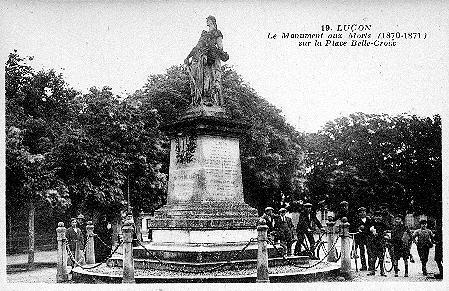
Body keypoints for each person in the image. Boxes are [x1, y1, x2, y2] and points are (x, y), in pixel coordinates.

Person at [184, 15, 229, 106]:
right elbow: (197, 47)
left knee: (211, 78)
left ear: (212, 21)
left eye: (208, 20)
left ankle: (210, 98)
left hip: (212, 58)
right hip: (203, 58)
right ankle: (200, 99)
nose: (207, 22)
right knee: (201, 78)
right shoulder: (204, 34)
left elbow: (220, 46)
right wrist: (188, 56)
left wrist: (219, 54)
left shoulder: (217, 32)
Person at [367, 211, 388, 276]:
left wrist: (382, 235)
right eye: (376, 216)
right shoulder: (371, 223)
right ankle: (372, 271)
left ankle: (382, 271)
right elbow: (368, 232)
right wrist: (372, 233)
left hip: (381, 242)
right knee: (373, 257)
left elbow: (386, 232)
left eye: (379, 216)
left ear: (381, 217)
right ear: (374, 217)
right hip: (373, 242)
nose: (378, 217)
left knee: (381, 257)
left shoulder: (383, 224)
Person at [354, 206, 372, 271]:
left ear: (366, 213)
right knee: (362, 252)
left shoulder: (369, 220)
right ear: (359, 214)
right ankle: (364, 266)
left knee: (369, 252)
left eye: (364, 212)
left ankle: (371, 266)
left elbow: (371, 228)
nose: (362, 213)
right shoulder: (356, 220)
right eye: (361, 212)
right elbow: (354, 228)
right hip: (360, 238)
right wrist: (358, 229)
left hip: (368, 237)